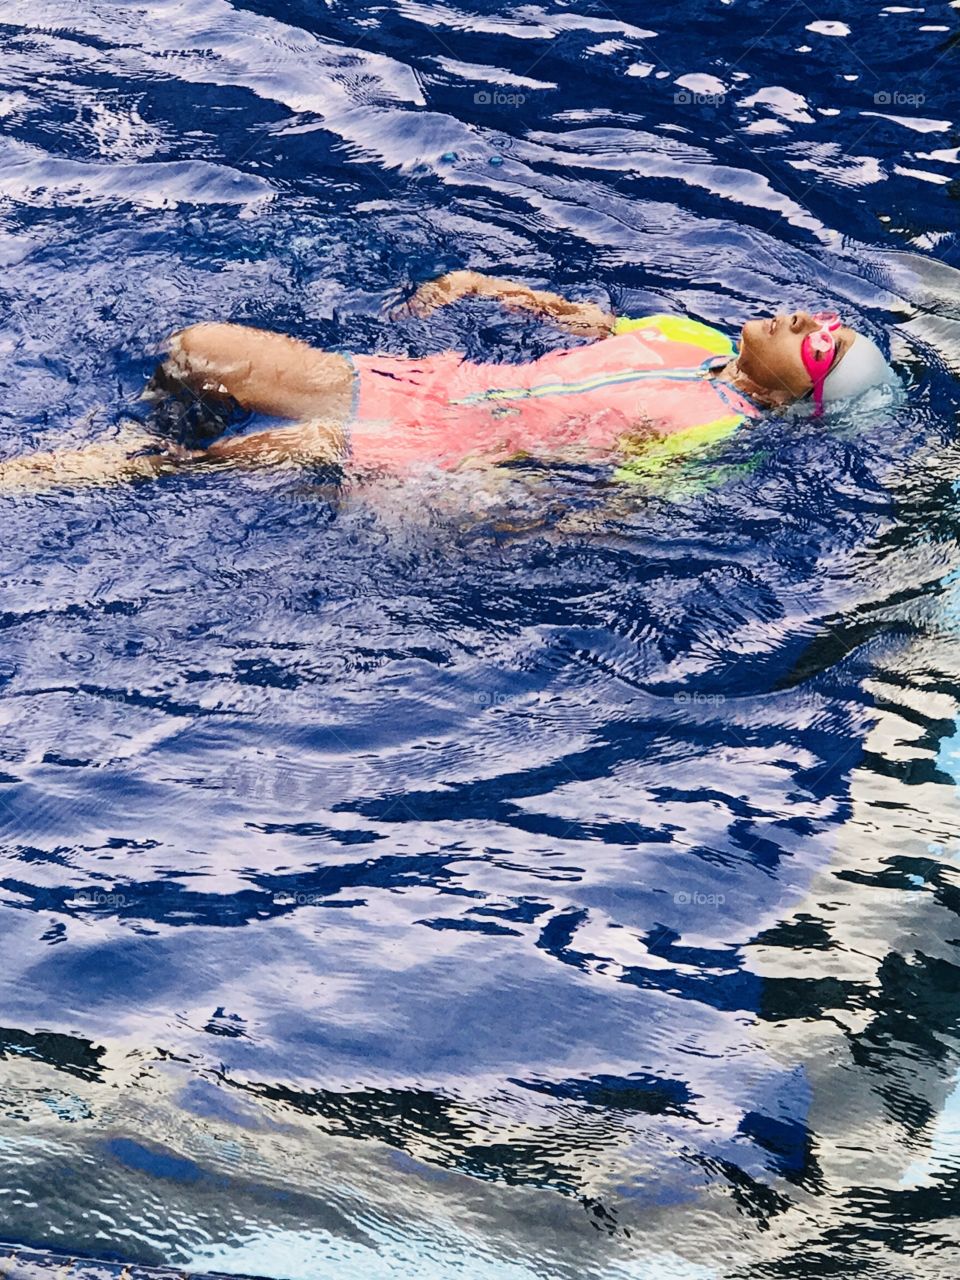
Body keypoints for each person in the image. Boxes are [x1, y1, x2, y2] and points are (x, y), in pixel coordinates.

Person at [0, 271, 897, 490]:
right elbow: (581, 321)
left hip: (441, 452)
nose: (808, 322)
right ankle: (174, 434)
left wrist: (468, 501)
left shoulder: (716, 435)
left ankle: (85, 472)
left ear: (791, 399)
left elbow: (597, 514)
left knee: (276, 451)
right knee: (200, 346)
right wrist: (483, 286)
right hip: (414, 385)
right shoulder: (683, 333)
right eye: (823, 320)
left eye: (820, 347)